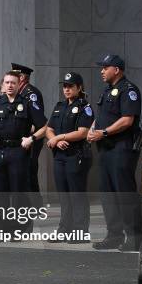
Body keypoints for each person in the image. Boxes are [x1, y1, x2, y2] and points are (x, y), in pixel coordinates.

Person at [0, 71, 47, 237]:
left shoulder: (27, 104)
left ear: (19, 84)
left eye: (13, 82)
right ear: (3, 85)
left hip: (18, 152)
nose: (10, 85)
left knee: (18, 193)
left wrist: (31, 139)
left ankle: (18, 230)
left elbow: (44, 126)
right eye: (7, 82)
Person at [88, 54, 142, 251]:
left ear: (116, 70)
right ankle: (114, 235)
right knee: (107, 194)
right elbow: (102, 116)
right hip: (105, 150)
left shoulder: (129, 90)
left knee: (124, 194)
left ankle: (135, 237)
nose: (102, 71)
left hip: (122, 149)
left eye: (105, 67)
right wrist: (93, 129)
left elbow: (127, 120)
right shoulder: (107, 91)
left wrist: (103, 133)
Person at [45, 72, 93, 243]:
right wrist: (54, 140)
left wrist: (60, 137)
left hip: (76, 155)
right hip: (60, 156)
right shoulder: (60, 106)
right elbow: (48, 128)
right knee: (64, 195)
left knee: (76, 194)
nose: (66, 89)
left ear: (79, 88)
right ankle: (64, 230)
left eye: (70, 86)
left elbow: (83, 132)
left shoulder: (84, 107)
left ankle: (80, 232)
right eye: (64, 86)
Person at [11, 63, 45, 199]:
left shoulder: (31, 93)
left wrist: (30, 135)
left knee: (30, 169)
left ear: (22, 78)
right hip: (21, 137)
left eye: (15, 77)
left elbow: (38, 120)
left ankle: (35, 206)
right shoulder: (19, 92)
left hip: (32, 137)